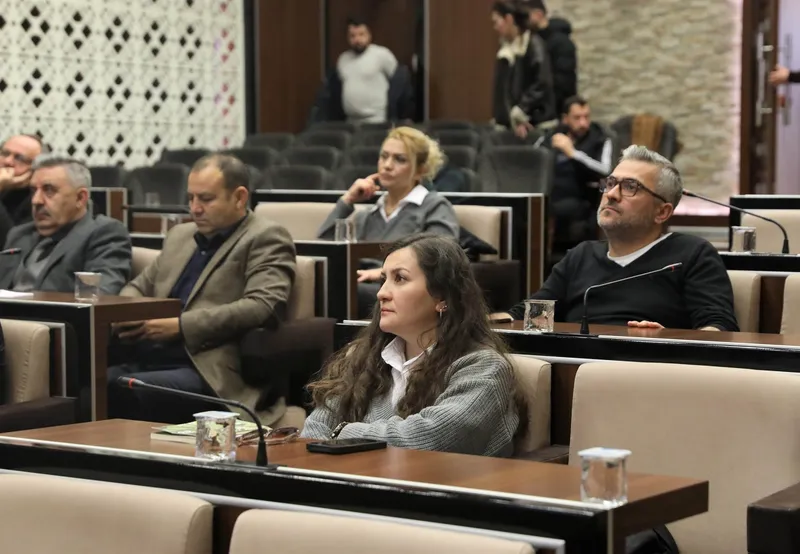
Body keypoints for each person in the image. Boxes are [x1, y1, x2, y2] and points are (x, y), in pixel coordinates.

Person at [107, 154, 297, 425]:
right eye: (191, 198)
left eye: (206, 199)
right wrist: (130, 316)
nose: (195, 208)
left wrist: (181, 326)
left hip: (205, 367)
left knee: (121, 387)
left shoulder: (265, 237)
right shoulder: (180, 236)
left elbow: (262, 306)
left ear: (239, 197)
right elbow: (137, 287)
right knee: (86, 379)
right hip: (147, 352)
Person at [301, 234, 519, 457]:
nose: (381, 293)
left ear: (442, 297)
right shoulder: (362, 356)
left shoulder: (484, 367)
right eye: (383, 280)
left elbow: (430, 439)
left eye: (400, 279)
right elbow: (314, 430)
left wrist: (341, 433)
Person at [496, 145, 739, 331]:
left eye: (630, 187)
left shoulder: (691, 254)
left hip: (650, 370)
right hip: (574, 368)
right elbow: (531, 315)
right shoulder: (581, 255)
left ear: (662, 212)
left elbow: (719, 328)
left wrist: (669, 340)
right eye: (610, 183)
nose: (611, 194)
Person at [318, 126, 459, 316]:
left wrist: (381, 273)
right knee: (322, 288)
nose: (387, 165)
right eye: (384, 157)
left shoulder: (434, 206)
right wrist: (347, 201)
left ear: (420, 170)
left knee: (340, 293)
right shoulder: (368, 213)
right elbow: (324, 249)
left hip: (400, 289)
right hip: (360, 284)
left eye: (399, 159)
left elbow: (442, 259)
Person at [0, 154, 131, 294]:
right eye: (33, 191)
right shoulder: (19, 234)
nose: (36, 200)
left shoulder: (104, 234)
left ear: (80, 198)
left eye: (49, 190)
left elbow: (98, 294)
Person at [536, 95, 612, 243]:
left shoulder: (600, 138)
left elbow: (605, 171)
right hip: (550, 196)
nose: (583, 123)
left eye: (586, 117)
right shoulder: (552, 135)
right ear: (565, 119)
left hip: (581, 197)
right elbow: (534, 162)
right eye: (577, 118)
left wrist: (573, 153)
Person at [490, 0, 556, 139]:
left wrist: (522, 109)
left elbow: (542, 83)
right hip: (512, 125)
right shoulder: (507, 48)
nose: (495, 27)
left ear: (508, 19)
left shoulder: (534, 46)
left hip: (534, 124)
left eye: (496, 22)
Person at [335, 17, 399, 124]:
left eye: (361, 34)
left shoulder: (382, 55)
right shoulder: (343, 59)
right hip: (350, 121)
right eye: (352, 36)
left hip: (376, 120)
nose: (357, 39)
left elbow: (398, 81)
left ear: (369, 35)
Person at [522, 0, 577, 117]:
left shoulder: (560, 43)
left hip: (556, 111)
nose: (523, 21)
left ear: (538, 14)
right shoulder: (534, 41)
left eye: (526, 16)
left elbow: (564, 82)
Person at [0, 135, 45, 245]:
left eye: (20, 158)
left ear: (35, 168)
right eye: (5, 153)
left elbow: (10, 244)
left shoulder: (39, 199)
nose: (8, 161)